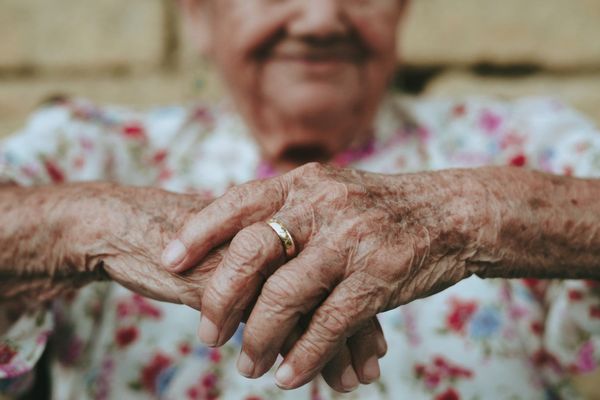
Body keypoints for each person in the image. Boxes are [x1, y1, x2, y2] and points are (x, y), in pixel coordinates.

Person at [1, 0, 599, 398]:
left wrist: (463, 214)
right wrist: (96, 222)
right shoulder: (94, 150)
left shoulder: (523, 146)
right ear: (199, 16)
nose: (318, 19)